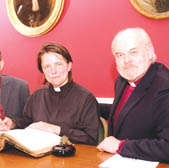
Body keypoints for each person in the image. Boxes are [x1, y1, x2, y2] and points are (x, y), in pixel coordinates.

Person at [97, 28, 169, 163]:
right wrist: (90, 104)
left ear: (149, 53)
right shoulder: (122, 81)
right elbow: (127, 110)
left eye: (133, 52)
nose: (126, 60)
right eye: (120, 55)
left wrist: (120, 146)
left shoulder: (165, 86)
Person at [16, 42, 100, 145]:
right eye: (47, 67)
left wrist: (56, 130)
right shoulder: (36, 96)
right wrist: (12, 123)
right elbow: (25, 123)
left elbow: (90, 138)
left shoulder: (86, 98)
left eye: (58, 64)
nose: (53, 71)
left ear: (69, 66)